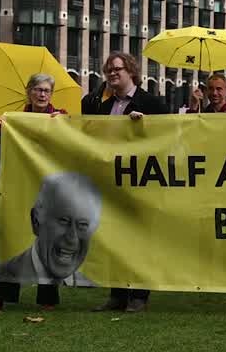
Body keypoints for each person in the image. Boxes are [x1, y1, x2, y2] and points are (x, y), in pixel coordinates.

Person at [0, 74, 68, 312]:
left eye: (47, 90)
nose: (42, 94)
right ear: (29, 92)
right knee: (12, 240)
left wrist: (64, 126)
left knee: (47, 240)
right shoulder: (13, 121)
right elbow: (2, 157)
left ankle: (48, 298)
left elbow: (68, 150)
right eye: (37, 89)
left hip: (48, 189)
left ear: (51, 94)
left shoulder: (60, 118)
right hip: (18, 188)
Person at [82, 52, 168, 313]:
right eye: (108, 70)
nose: (112, 74)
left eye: (117, 69)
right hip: (111, 184)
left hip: (142, 184)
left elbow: (169, 138)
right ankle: (117, 294)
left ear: (131, 71)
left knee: (139, 240)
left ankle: (139, 295)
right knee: (115, 239)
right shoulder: (103, 107)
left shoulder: (153, 104)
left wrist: (145, 128)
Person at [0, 173, 100, 287]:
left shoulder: (88, 282)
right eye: (63, 221)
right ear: (36, 222)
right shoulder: (8, 272)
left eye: (83, 224)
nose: (72, 238)